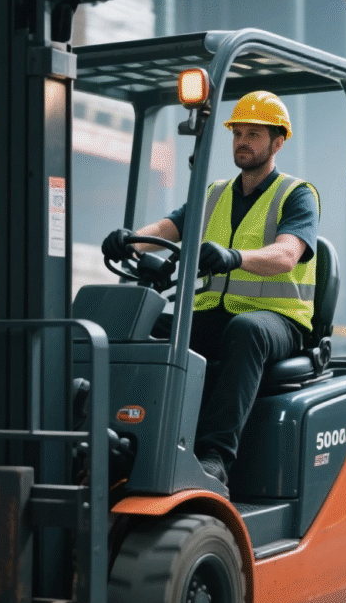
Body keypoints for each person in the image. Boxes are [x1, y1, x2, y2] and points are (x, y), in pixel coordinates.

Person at [101, 91, 319, 488]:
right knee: (146, 327)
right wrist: (128, 239)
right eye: (238, 133)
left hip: (279, 323)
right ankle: (125, 438)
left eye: (254, 133)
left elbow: (287, 255)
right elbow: (165, 230)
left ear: (278, 142)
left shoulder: (296, 194)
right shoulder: (214, 193)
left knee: (246, 331)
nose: (243, 141)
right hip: (214, 314)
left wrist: (235, 257)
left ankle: (216, 455)